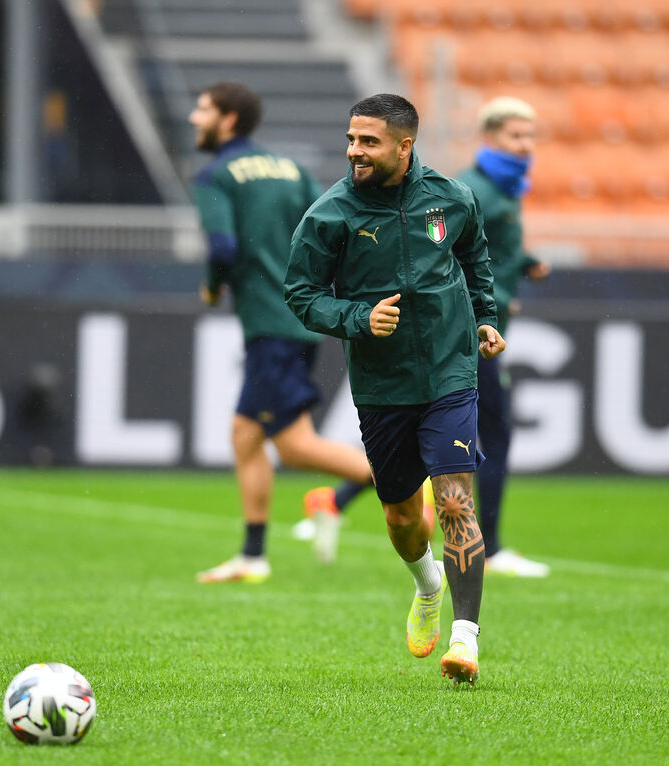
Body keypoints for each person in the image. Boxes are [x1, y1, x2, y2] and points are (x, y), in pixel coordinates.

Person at [285, 93, 505, 685]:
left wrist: (485, 316)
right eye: (352, 139)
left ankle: (466, 639)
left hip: (450, 371)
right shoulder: (329, 215)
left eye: (369, 142)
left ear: (404, 146)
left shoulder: (451, 199)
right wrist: (360, 319)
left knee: (455, 498)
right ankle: (427, 584)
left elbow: (475, 257)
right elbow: (301, 294)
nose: (355, 151)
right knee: (403, 518)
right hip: (382, 385)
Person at [188, 82, 373, 582]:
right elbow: (334, 227)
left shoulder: (213, 176)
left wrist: (211, 289)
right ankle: (252, 556)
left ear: (228, 120)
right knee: (249, 436)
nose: (192, 118)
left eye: (202, 109)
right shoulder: (291, 169)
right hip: (302, 318)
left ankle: (395, 474)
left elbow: (223, 249)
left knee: (292, 446)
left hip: (271, 325)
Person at [455, 96, 551, 578]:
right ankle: (489, 549)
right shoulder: (469, 189)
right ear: (490, 137)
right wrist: (485, 300)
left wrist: (523, 264)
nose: (525, 145)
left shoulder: (503, 190)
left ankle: (334, 501)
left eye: (530, 136)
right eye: (516, 136)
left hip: (485, 331)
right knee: (492, 433)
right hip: (472, 334)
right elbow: (441, 245)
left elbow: (485, 248)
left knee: (431, 435)